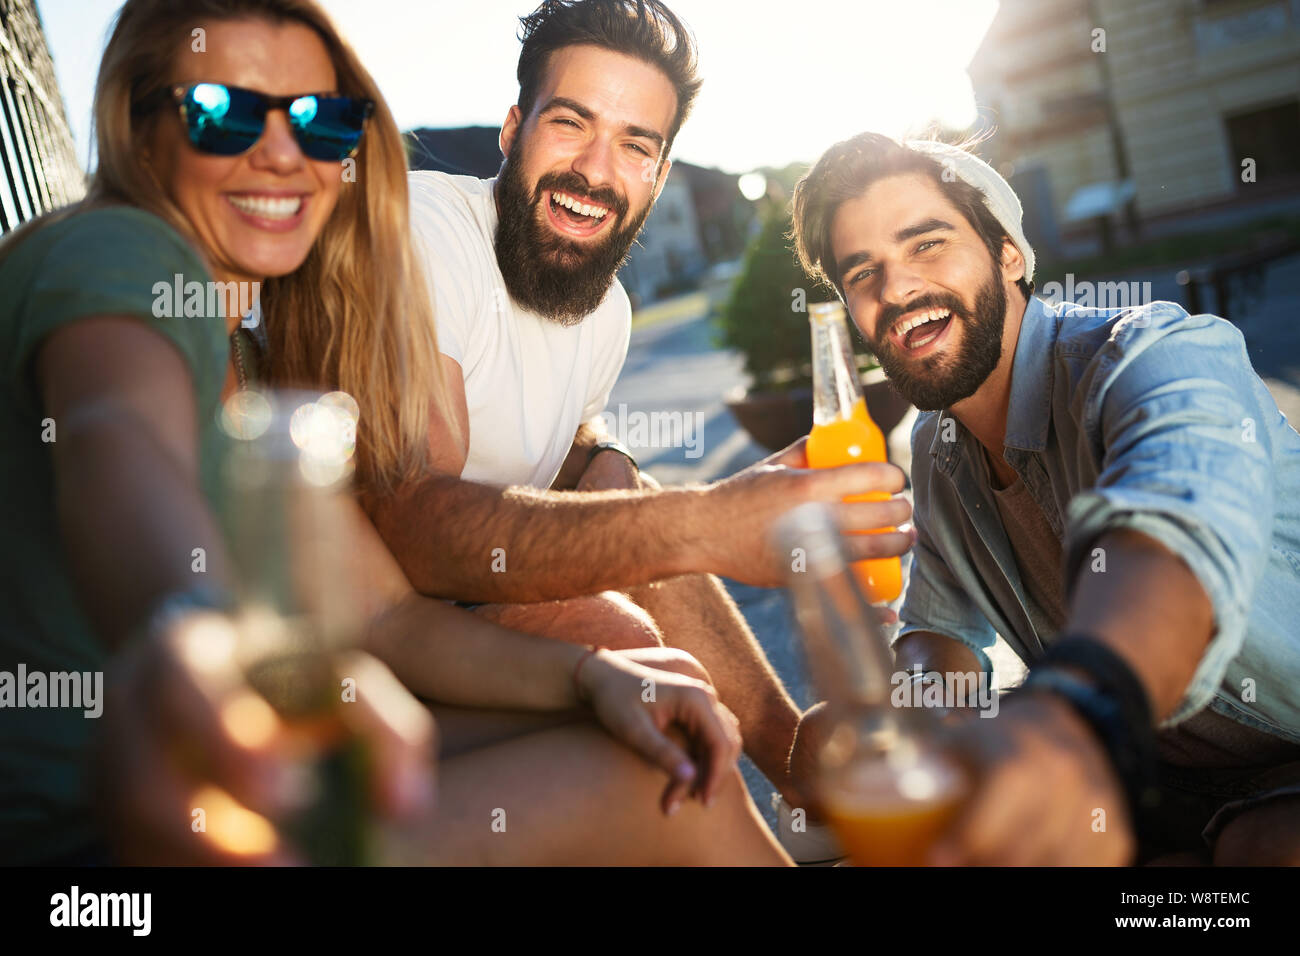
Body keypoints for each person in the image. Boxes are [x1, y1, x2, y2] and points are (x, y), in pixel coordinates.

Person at [1, 0, 787, 865]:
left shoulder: (228, 347)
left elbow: (382, 615)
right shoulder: (116, 254)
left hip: (245, 779)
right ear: (141, 129)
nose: (280, 151)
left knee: (648, 723)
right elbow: (115, 433)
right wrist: (185, 628)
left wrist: (597, 679)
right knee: (660, 792)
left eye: (319, 119)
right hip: (101, 839)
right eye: (222, 112)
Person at [367, 0, 914, 828]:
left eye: (635, 145)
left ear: (658, 176)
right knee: (655, 666)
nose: (595, 170)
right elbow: (417, 524)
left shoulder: (607, 310)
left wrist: (605, 458)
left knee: (633, 498)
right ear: (512, 130)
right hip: (378, 633)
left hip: (467, 605)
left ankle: (798, 761)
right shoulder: (430, 229)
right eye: (570, 123)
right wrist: (707, 521)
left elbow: (563, 445)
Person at [789, 131, 1300, 865]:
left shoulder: (1151, 356)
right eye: (862, 271)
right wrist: (899, 715)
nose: (896, 290)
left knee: (1261, 851)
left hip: (1273, 764)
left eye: (927, 244)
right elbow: (942, 634)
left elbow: (1174, 526)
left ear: (1009, 255)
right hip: (1151, 789)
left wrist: (1075, 716)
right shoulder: (936, 449)